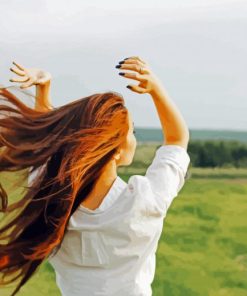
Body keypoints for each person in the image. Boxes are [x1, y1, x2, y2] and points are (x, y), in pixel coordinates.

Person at [0, 56, 190, 296]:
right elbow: (176, 139)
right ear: (116, 150)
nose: (134, 136)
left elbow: (51, 152)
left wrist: (43, 91)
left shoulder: (53, 203)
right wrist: (155, 89)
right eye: (131, 131)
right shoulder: (144, 200)